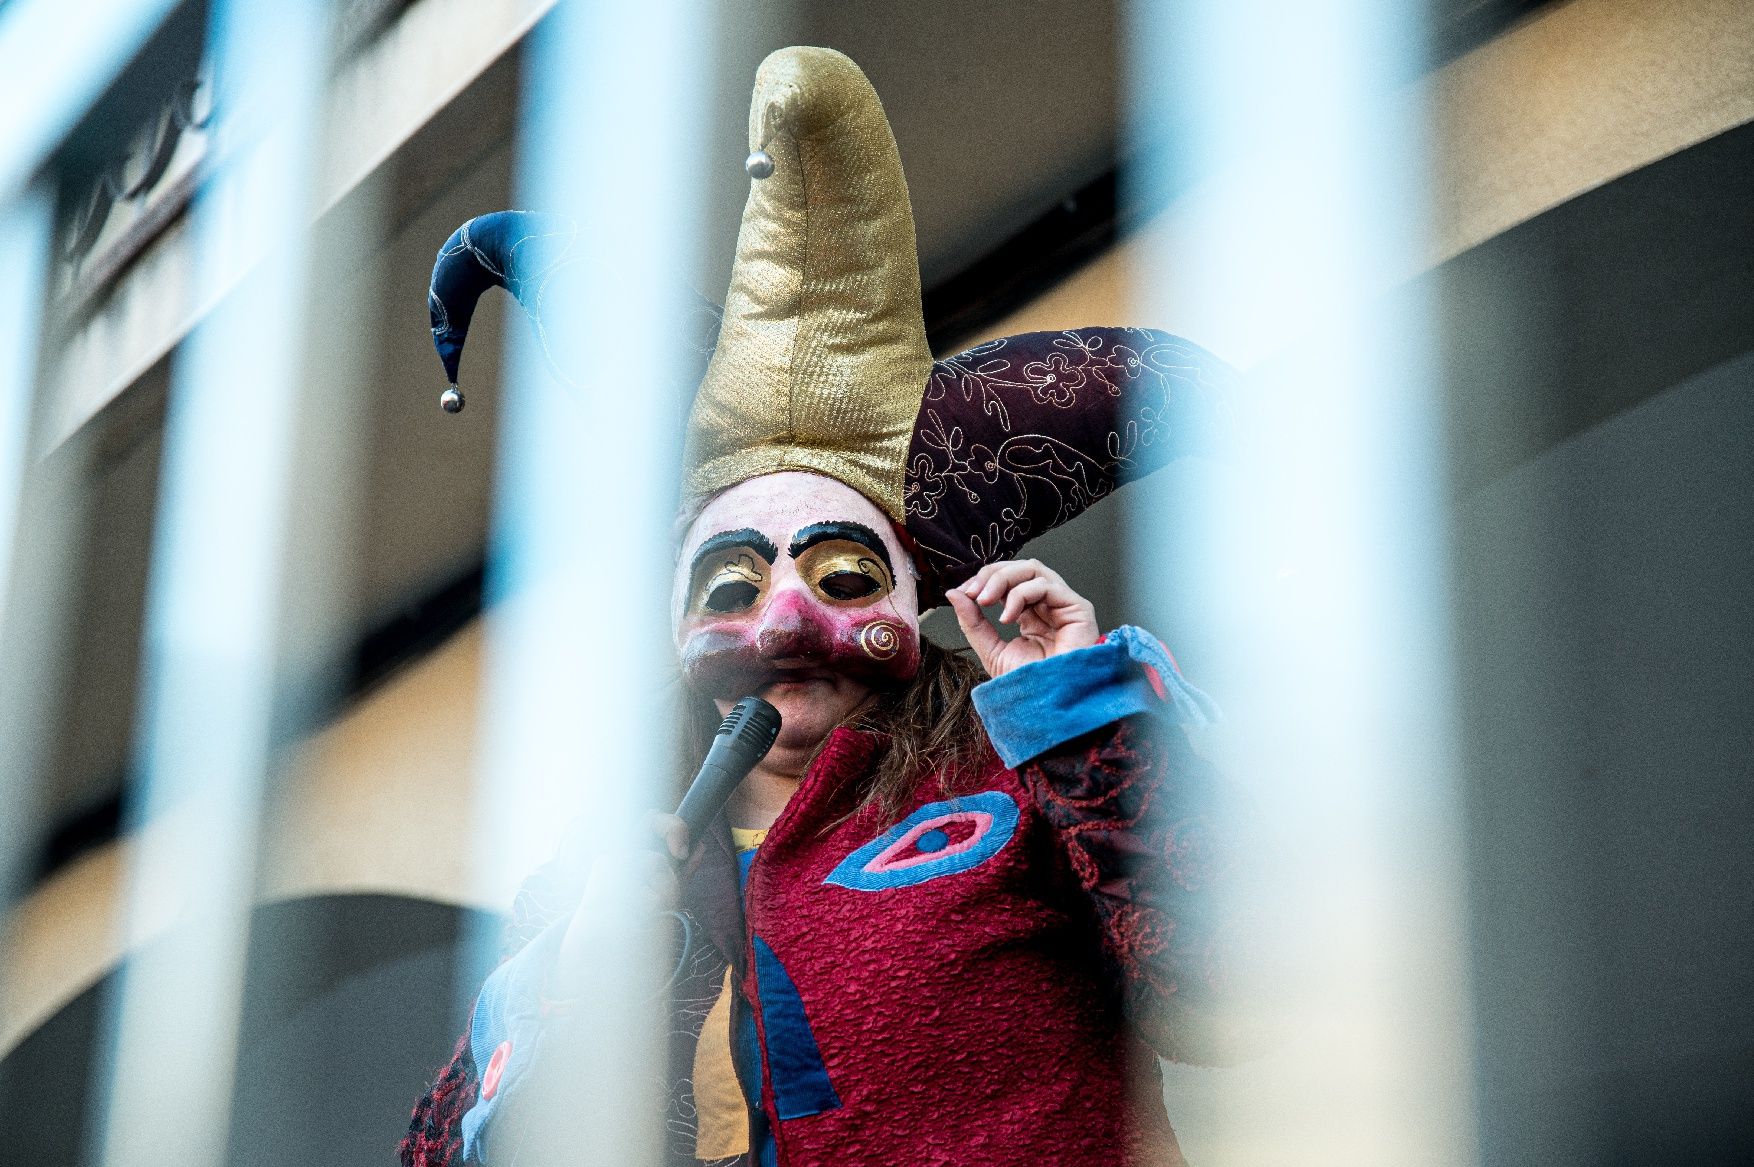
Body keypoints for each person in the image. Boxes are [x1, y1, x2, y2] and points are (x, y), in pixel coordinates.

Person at [404, 47, 1253, 1167]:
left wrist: (1078, 713)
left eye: (845, 577)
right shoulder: (586, 880)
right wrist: (566, 998)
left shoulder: (1020, 775)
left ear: (916, 590)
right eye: (730, 588)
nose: (786, 626)